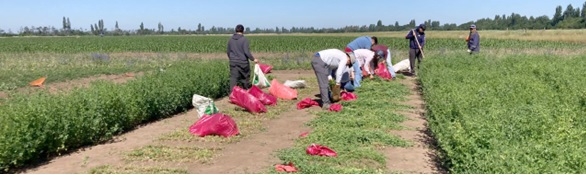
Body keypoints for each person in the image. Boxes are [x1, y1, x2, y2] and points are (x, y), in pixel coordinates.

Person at [227, 24, 258, 92]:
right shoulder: (244, 39)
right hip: (243, 62)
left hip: (233, 62)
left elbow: (228, 52)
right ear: (243, 31)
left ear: (235, 30)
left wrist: (232, 59)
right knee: (245, 77)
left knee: (233, 78)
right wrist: (253, 59)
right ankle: (245, 92)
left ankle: (232, 94)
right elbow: (246, 52)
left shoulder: (230, 40)